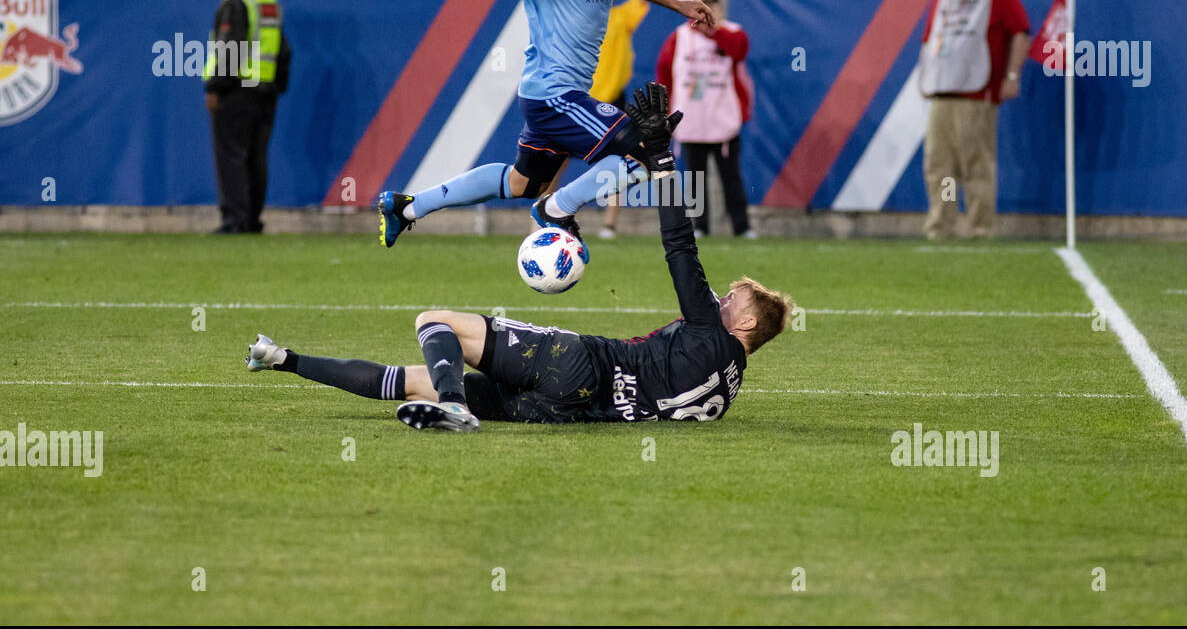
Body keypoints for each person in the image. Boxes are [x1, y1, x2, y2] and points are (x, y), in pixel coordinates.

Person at [247, 171, 795, 431]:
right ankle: (285, 360)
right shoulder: (728, 387)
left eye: (731, 299)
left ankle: (454, 405)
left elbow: (681, 248)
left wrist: (663, 165)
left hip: (580, 362)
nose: (719, 299)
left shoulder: (712, 333)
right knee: (412, 379)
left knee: (433, 319)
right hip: (568, 412)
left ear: (746, 320)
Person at [375, 0, 716, 255]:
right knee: (645, 151)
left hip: (552, 95)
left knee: (523, 183)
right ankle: (556, 210)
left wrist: (677, 3)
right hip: (555, 95)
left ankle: (408, 207)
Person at [916, 0, 1030, 240]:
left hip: (977, 94)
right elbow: (930, 41)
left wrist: (1012, 75)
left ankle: (980, 227)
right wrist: (925, 77)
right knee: (941, 165)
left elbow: (1021, 33)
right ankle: (944, 225)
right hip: (942, 92)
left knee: (976, 164)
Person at [655, 0, 755, 239]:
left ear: (715, 4)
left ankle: (742, 227)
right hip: (691, 117)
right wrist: (666, 114)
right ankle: (700, 226)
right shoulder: (679, 36)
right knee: (696, 176)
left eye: (707, 2)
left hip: (723, 116)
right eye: (697, 1)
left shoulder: (733, 32)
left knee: (730, 176)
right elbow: (665, 73)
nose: (702, 7)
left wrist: (714, 30)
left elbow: (739, 51)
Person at [203, 0, 292, 234]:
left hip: (238, 90)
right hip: (264, 90)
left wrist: (216, 87)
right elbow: (283, 48)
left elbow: (231, 48)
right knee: (256, 158)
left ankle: (234, 220)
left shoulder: (237, 0)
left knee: (231, 156)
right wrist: (277, 84)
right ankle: (252, 219)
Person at [591, 0, 654, 239]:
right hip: (582, 97)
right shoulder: (579, 17)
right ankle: (546, 214)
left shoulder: (619, 18)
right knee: (555, 159)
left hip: (613, 101)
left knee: (620, 162)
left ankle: (609, 224)